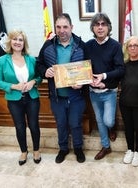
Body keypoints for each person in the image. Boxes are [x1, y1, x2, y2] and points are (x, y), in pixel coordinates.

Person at [36, 13, 86, 163]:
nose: (62, 30)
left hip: (76, 96)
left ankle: (78, 148)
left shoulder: (81, 45)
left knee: (75, 124)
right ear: (55, 28)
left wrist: (83, 82)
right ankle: (63, 148)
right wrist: (45, 71)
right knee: (61, 124)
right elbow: (38, 64)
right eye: (58, 27)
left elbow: (89, 68)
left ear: (71, 27)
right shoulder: (48, 45)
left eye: (65, 27)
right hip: (57, 97)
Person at [0, 29, 42, 166]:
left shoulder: (31, 59)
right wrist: (14, 86)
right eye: (15, 39)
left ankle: (36, 150)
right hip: (14, 99)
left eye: (20, 40)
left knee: (34, 125)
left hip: (32, 97)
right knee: (20, 127)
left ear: (24, 43)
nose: (17, 42)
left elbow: (39, 77)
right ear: (10, 41)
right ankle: (23, 151)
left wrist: (33, 82)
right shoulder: (2, 60)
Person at [84, 13, 125, 160]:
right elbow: (83, 67)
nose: (100, 27)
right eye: (97, 24)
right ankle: (105, 146)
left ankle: (112, 127)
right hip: (93, 91)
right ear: (93, 28)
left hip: (109, 91)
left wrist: (104, 79)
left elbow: (120, 69)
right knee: (99, 120)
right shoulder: (87, 45)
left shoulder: (115, 46)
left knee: (108, 120)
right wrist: (88, 80)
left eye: (103, 24)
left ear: (108, 27)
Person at [119, 36, 138, 167]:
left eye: (136, 45)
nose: (133, 48)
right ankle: (130, 149)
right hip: (125, 102)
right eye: (130, 45)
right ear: (127, 48)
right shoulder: (123, 65)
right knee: (128, 128)